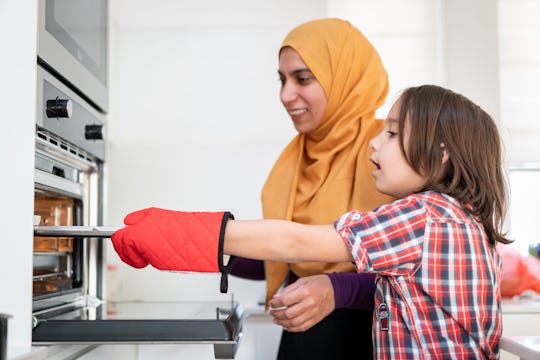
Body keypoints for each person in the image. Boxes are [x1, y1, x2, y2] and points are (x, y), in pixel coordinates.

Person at [111, 84, 511, 359]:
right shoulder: (465, 221)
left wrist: (183, 232)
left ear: (440, 154)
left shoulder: (422, 216)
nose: (375, 142)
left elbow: (298, 244)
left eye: (391, 133)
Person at [229, 18, 395, 359]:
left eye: (302, 78)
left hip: (368, 338)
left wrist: (339, 288)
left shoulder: (390, 151)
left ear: (344, 77)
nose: (286, 95)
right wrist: (212, 249)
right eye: (282, 80)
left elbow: (413, 268)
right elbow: (290, 256)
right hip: (302, 339)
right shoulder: (296, 158)